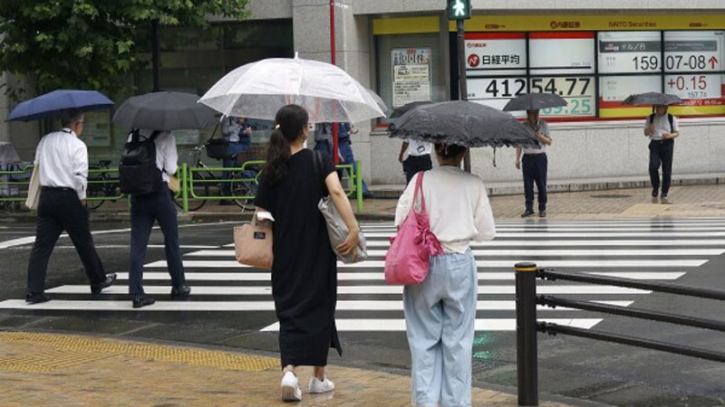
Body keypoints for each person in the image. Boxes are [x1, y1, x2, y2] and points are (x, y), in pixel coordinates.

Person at [254, 105, 361, 402]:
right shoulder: (319, 159)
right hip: (317, 250)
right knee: (320, 306)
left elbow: (261, 214)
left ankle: (289, 371)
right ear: (304, 130)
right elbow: (337, 193)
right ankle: (318, 378)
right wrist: (353, 229)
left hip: (285, 251)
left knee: (289, 311)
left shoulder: (272, 168)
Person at [395, 143, 496, 407]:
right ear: (463, 153)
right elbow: (487, 231)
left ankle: (426, 402)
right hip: (460, 262)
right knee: (459, 342)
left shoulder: (420, 180)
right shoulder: (473, 183)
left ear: (435, 152)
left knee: (423, 340)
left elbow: (400, 220)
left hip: (423, 264)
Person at [25, 109, 116, 304]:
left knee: (42, 245)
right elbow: (79, 176)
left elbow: (37, 163)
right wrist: (82, 199)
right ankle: (98, 280)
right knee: (83, 241)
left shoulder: (45, 140)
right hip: (68, 197)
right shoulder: (77, 145)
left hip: (47, 196)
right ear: (77, 125)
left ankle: (34, 290)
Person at [127, 129, 190, 309]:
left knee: (137, 244)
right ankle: (178, 284)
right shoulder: (167, 136)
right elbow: (171, 169)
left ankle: (136, 293)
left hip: (138, 193)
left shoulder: (134, 135)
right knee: (171, 239)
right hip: (160, 192)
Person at [314, 122, 372, 198]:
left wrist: (350, 129)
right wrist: (348, 132)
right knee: (338, 171)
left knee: (353, 168)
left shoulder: (343, 120)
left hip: (345, 145)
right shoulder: (330, 121)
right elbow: (333, 136)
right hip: (338, 146)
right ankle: (334, 191)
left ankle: (363, 190)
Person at [515, 109, 552, 218]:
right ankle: (529, 208)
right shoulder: (523, 126)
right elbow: (519, 144)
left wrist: (540, 137)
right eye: (532, 113)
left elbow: (549, 142)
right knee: (528, 184)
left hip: (540, 157)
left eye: (536, 112)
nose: (535, 115)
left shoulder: (544, 124)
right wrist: (517, 159)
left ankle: (542, 207)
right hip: (527, 158)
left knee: (541, 184)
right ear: (528, 114)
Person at [644, 105, 680, 204]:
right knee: (653, 166)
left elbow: (677, 133)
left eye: (661, 107)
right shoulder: (650, 118)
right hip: (655, 144)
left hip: (667, 143)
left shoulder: (671, 118)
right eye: (657, 107)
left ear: (665, 108)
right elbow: (645, 133)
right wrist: (649, 129)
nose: (658, 109)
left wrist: (669, 136)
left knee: (666, 170)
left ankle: (664, 191)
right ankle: (655, 187)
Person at [220, 116, 252, 204]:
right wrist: (238, 125)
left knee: (242, 170)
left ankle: (248, 192)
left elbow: (246, 131)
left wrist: (246, 131)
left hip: (240, 146)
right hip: (231, 145)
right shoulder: (228, 119)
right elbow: (225, 131)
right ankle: (223, 196)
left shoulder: (244, 119)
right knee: (227, 170)